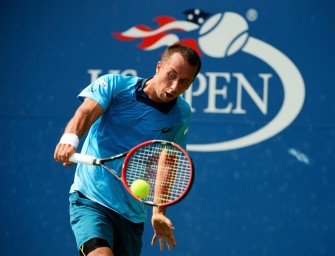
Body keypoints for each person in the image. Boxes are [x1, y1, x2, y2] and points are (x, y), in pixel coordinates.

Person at [54, 43, 201, 256]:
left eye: (184, 82)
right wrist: (70, 140)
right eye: (172, 75)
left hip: (132, 215)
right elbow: (86, 112)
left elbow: (168, 160)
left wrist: (158, 212)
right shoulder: (116, 85)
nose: (174, 86)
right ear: (159, 67)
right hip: (90, 197)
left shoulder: (181, 114)